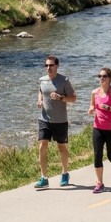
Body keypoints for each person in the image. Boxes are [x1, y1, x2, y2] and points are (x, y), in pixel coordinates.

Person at [35, 56, 77, 189]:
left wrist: (61, 97)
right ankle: (44, 177)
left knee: (61, 146)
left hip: (60, 120)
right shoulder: (42, 80)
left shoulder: (64, 80)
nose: (48, 68)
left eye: (51, 65)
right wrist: (40, 100)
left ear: (57, 66)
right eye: (46, 66)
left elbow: (73, 98)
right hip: (44, 119)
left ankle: (65, 173)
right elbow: (41, 91)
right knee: (42, 145)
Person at [88, 66, 111, 194]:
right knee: (97, 155)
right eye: (99, 76)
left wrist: (109, 108)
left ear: (109, 78)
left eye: (104, 76)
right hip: (98, 128)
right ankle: (100, 183)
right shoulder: (94, 92)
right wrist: (91, 109)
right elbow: (92, 105)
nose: (101, 78)